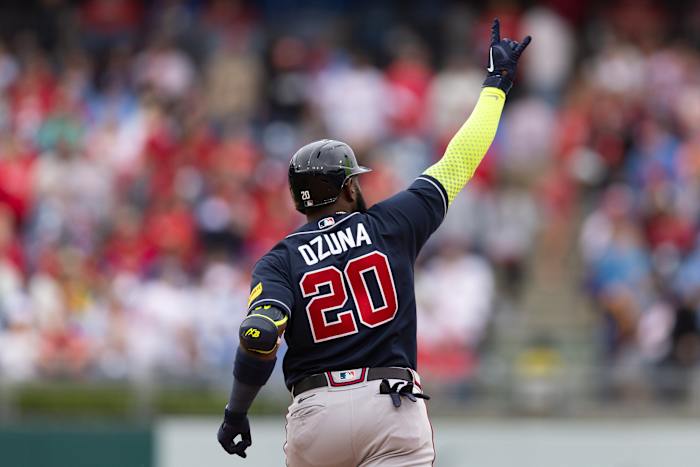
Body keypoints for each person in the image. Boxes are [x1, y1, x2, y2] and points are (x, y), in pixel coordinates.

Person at [217, 19, 531, 466]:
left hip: (316, 410)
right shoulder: (392, 221)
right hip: (391, 403)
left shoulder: (279, 259)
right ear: (347, 188)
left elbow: (259, 333)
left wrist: (236, 412)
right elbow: (461, 157)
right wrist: (496, 84)